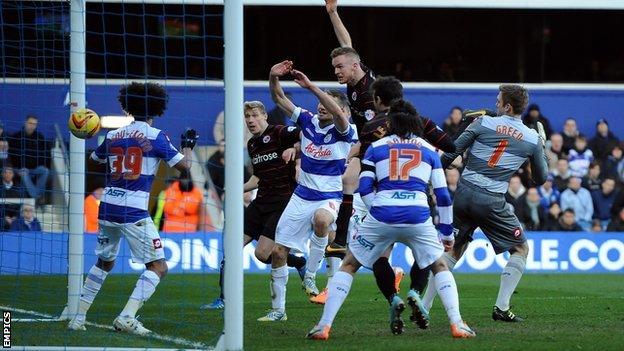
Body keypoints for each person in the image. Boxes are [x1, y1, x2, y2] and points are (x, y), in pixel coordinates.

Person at [322, 0, 456, 312]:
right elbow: (346, 45)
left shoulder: (372, 94)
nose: (337, 71)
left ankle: (343, 237)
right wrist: (332, 13)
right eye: (336, 67)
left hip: (388, 163)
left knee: (350, 180)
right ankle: (405, 288)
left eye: (340, 67)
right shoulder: (357, 82)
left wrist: (362, 148)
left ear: (355, 67)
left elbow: (381, 131)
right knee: (349, 179)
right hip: (389, 161)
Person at [306, 104, 475, 340]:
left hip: (382, 214)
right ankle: (457, 323)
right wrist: (447, 233)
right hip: (417, 214)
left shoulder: (375, 148)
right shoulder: (428, 151)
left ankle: (324, 325)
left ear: (391, 126)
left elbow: (363, 187)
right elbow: (443, 195)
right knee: (439, 266)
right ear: (416, 125)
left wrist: (380, 209)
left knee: (349, 265)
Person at [67, 82, 197, 335]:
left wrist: (89, 135)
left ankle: (77, 317)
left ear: (128, 106)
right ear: (157, 108)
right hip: (134, 210)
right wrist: (188, 146)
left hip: (107, 206)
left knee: (104, 262)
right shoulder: (157, 136)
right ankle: (126, 316)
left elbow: (95, 160)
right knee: (159, 267)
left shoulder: (114, 134)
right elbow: (185, 167)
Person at [422, 84, 549, 322]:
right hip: (491, 201)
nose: (495, 104)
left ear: (508, 106)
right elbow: (540, 178)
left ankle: (424, 307)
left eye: (498, 100)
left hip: (463, 194)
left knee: (452, 250)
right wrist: (540, 146)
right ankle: (501, 308)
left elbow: (449, 154)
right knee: (521, 248)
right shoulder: (532, 138)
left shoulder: (482, 123)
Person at [257, 60, 357, 322]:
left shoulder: (345, 131)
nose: (321, 105)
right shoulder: (306, 121)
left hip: (330, 196)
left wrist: (311, 86)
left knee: (322, 220)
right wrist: (272, 76)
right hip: (301, 196)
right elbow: (278, 97)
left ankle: (311, 276)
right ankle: (278, 310)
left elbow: (339, 115)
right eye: (320, 102)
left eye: (327, 102)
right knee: (279, 253)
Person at [202, 100, 307, 310]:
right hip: (260, 203)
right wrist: (236, 189)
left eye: (255, 116)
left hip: (282, 204)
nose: (250, 120)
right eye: (247, 117)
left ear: (264, 117)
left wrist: (295, 152)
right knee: (231, 247)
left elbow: (309, 135)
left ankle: (299, 263)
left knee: (262, 255)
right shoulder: (252, 144)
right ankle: (223, 298)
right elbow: (257, 179)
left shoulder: (280, 132)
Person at [8, 115, 51, 202]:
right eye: (30, 123)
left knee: (45, 171)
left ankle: (35, 195)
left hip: (35, 168)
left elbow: (45, 154)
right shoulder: (16, 137)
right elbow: (13, 156)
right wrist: (19, 167)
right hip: (20, 168)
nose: (32, 126)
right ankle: (37, 198)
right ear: (25, 123)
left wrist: (39, 164)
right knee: (24, 172)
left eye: (34, 124)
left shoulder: (40, 137)